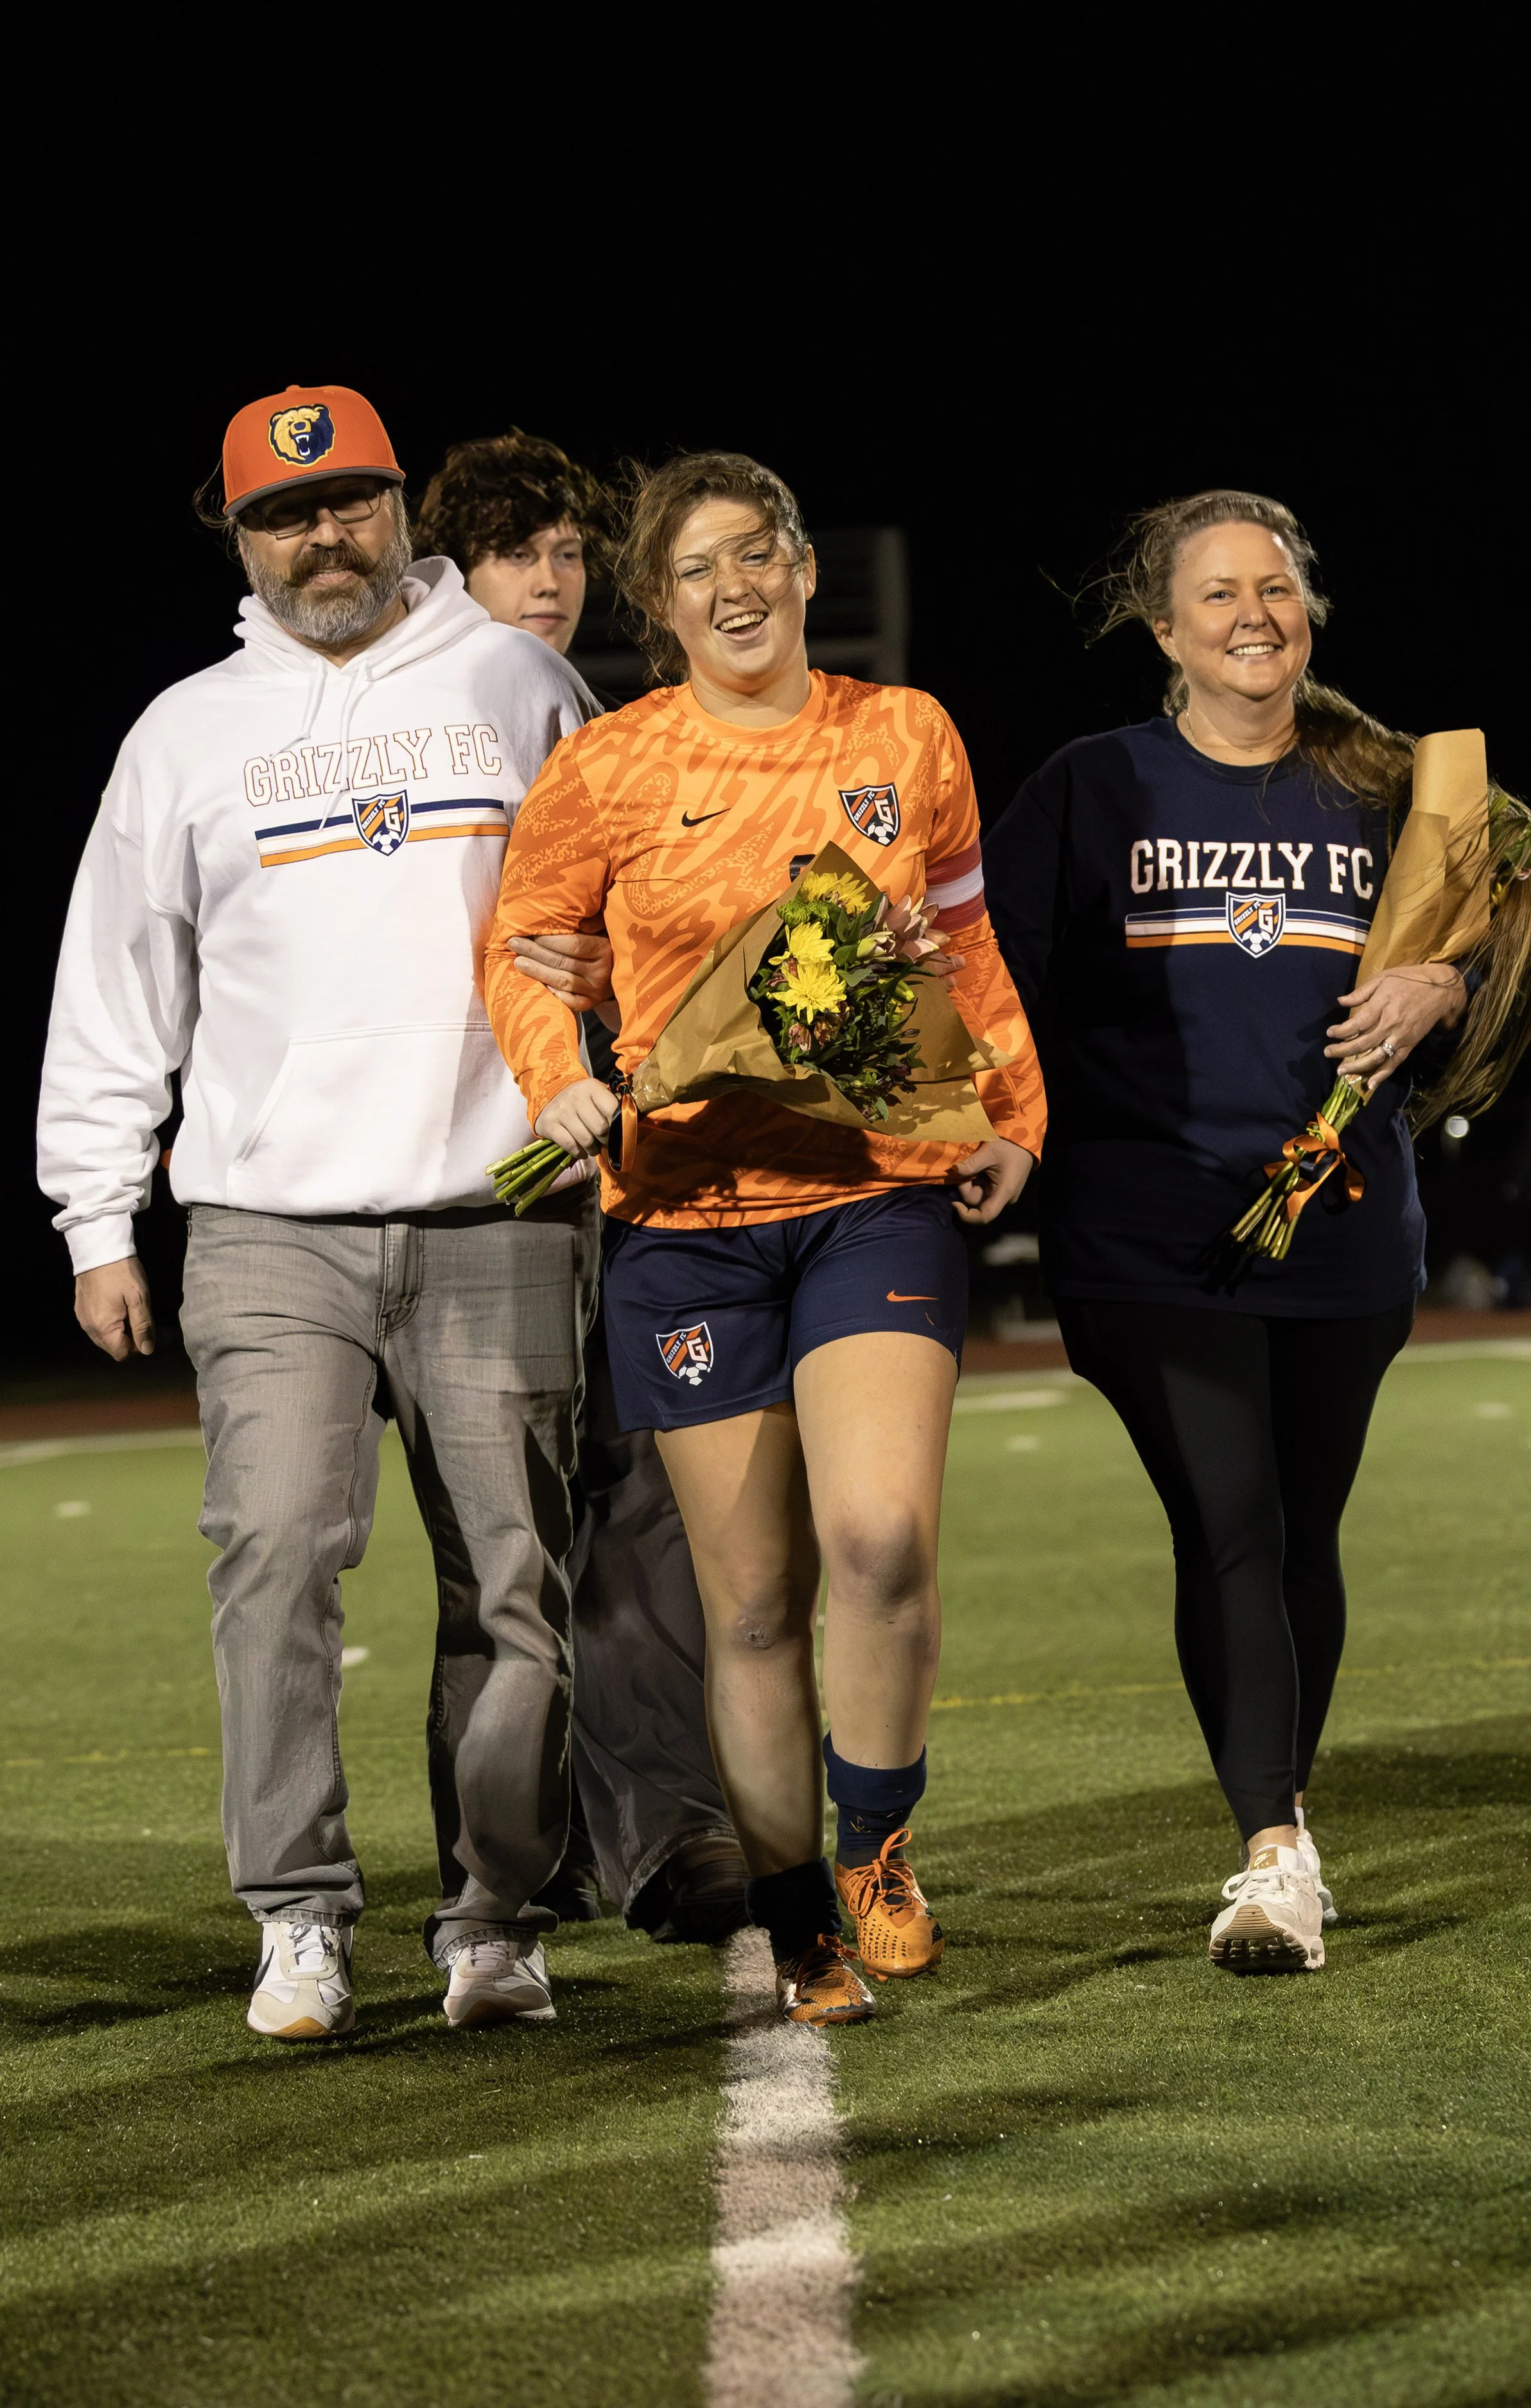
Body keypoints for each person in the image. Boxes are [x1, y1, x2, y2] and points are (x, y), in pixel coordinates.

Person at [37, 383, 599, 2039]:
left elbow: (622, 910)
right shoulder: (186, 731)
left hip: (496, 1205)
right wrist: (93, 1215)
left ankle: (494, 1919)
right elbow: (116, 988)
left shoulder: (517, 681)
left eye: (350, 501)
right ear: (240, 536)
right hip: (268, 1225)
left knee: (512, 1585)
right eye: (286, 514)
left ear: (403, 506)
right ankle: (298, 1915)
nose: (324, 535)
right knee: (273, 1558)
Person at [483, 451, 1046, 2023]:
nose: (733, 588)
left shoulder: (902, 735)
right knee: (744, 1601)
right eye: (695, 570)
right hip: (682, 1223)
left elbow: (960, 941)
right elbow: (527, 958)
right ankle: (796, 1916)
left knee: (877, 1542)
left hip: (871, 1194)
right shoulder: (604, 766)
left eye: (758, 554)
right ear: (660, 611)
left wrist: (1011, 1111)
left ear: (801, 568)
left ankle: (872, 1848)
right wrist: (564, 1085)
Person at [984, 487, 1531, 1973]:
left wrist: (1441, 983)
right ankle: (1271, 1851)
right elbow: (997, 988)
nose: (1256, 616)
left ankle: (1280, 1822)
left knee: (1298, 1533)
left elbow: (1511, 907)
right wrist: (988, 1135)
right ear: (1163, 629)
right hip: (1147, 1227)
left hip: (1346, 1224)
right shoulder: (1087, 786)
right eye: (1220, 595)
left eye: (1277, 591)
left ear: (1306, 611)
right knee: (1228, 1515)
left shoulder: (1383, 784)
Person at [412, 433, 749, 1943]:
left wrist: (607, 961)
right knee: (499, 1547)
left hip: (597, 1177)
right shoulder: (424, 715)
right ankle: (510, 1866)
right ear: (449, 571)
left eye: (563, 556)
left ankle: (663, 1834)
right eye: (512, 557)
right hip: (450, 1187)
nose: (545, 584)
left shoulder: (582, 715)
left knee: (636, 1513)